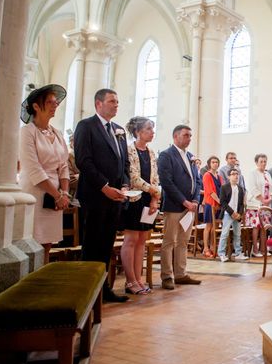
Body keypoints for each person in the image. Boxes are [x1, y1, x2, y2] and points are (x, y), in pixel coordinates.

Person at [74, 88, 130, 302]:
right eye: (112, 101)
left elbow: (124, 163)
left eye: (117, 101)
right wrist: (105, 187)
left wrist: (124, 186)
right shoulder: (86, 126)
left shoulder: (119, 130)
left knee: (106, 245)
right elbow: (83, 161)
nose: (116, 105)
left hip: (115, 197)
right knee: (92, 245)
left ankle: (104, 289)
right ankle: (86, 291)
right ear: (98, 104)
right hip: (95, 196)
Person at [18, 84, 71, 263]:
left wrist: (64, 192)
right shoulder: (27, 132)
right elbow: (33, 168)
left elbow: (63, 165)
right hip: (35, 190)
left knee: (47, 242)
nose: (55, 105)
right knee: (33, 241)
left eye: (56, 102)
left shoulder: (57, 133)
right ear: (36, 106)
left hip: (55, 194)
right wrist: (57, 195)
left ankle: (43, 281)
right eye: (50, 102)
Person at [157, 125, 202, 289]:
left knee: (183, 241)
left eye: (190, 135)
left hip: (190, 207)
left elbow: (198, 181)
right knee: (169, 242)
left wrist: (196, 201)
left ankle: (181, 274)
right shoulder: (166, 155)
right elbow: (166, 182)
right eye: (186, 135)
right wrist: (185, 202)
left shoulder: (190, 156)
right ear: (176, 136)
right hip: (175, 206)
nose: (189, 138)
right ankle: (167, 276)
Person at [120, 117, 161, 295]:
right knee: (131, 240)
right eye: (149, 129)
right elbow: (134, 177)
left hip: (148, 200)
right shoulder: (129, 150)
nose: (152, 132)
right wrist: (153, 191)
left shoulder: (151, 152)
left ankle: (139, 279)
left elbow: (155, 178)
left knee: (142, 241)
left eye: (152, 129)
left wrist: (154, 199)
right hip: (134, 198)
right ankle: (130, 281)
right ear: (138, 132)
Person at [245, 153, 272, 257]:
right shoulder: (252, 173)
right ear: (256, 162)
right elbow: (252, 188)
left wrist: (270, 198)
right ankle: (255, 250)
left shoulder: (267, 174)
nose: (263, 163)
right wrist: (262, 199)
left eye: (265, 161)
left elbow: (271, 189)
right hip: (256, 204)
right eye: (261, 161)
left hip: (266, 205)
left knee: (264, 227)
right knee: (256, 227)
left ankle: (263, 249)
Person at [217, 168, 249, 262]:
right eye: (233, 174)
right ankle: (221, 253)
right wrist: (232, 212)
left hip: (237, 214)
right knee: (225, 233)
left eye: (237, 174)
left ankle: (238, 253)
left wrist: (239, 213)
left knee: (237, 233)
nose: (236, 175)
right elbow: (222, 202)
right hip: (228, 213)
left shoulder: (240, 188)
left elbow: (241, 203)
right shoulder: (224, 187)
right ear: (229, 176)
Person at [202, 155, 223, 258]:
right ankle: (205, 248)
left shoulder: (219, 177)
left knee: (215, 227)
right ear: (209, 164)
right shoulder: (207, 175)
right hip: (211, 204)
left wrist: (221, 202)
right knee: (209, 227)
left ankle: (213, 247)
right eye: (213, 162)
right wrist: (219, 201)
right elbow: (210, 191)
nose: (215, 163)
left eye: (216, 162)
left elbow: (222, 190)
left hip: (218, 205)